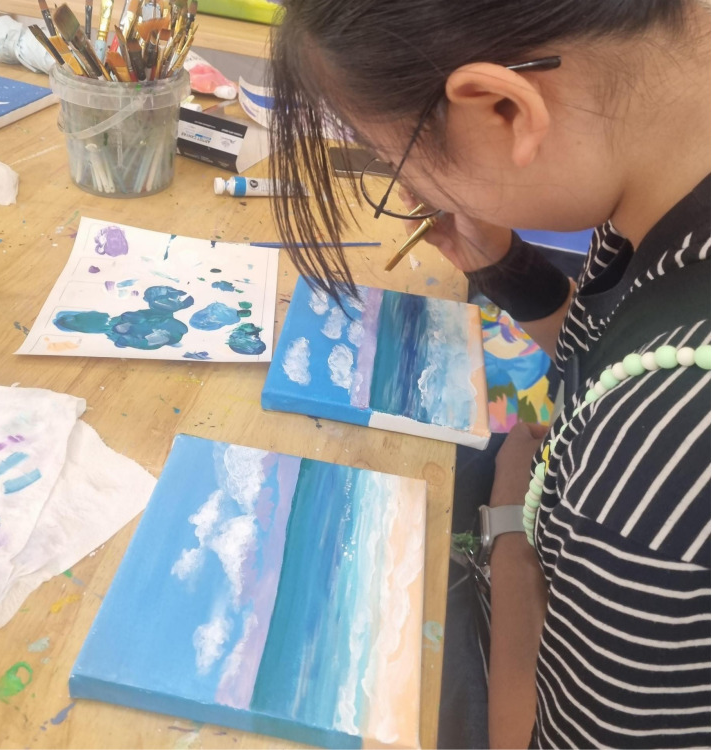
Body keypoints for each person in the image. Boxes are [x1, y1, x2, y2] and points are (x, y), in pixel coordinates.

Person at [267, 1, 711, 748]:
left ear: (504, 109)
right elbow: (614, 351)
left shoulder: (664, 454)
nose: (411, 192)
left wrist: (507, 509)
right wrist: (503, 264)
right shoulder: (664, 180)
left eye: (393, 161)